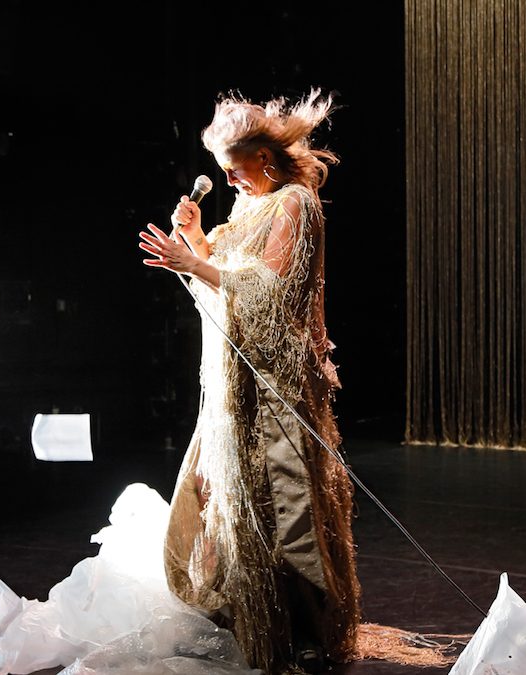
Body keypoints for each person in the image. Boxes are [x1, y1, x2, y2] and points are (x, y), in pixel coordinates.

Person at [137, 88, 360, 673]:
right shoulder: (251, 204)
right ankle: (260, 621)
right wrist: (194, 239)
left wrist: (194, 261)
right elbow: (225, 276)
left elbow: (268, 290)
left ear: (263, 158)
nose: (230, 182)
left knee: (288, 505)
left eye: (234, 171)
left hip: (277, 382)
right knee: (240, 502)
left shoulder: (294, 203)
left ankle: (306, 632)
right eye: (222, 174)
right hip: (238, 380)